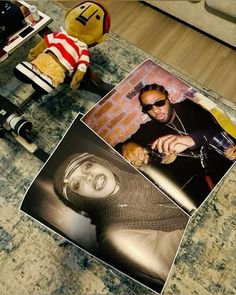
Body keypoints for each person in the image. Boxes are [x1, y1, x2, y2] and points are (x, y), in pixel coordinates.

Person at [54, 152, 189, 291]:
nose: (88, 176)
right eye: (77, 184)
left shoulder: (142, 175)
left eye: (87, 166)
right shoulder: (114, 237)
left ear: (102, 163)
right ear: (80, 198)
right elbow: (181, 263)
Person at [116, 84, 232, 204]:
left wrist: (191, 139)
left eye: (159, 103)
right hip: (196, 189)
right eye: (148, 107)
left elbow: (219, 128)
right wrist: (127, 146)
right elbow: (117, 147)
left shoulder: (191, 106)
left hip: (225, 166)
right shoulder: (148, 129)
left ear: (169, 98)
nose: (155, 110)